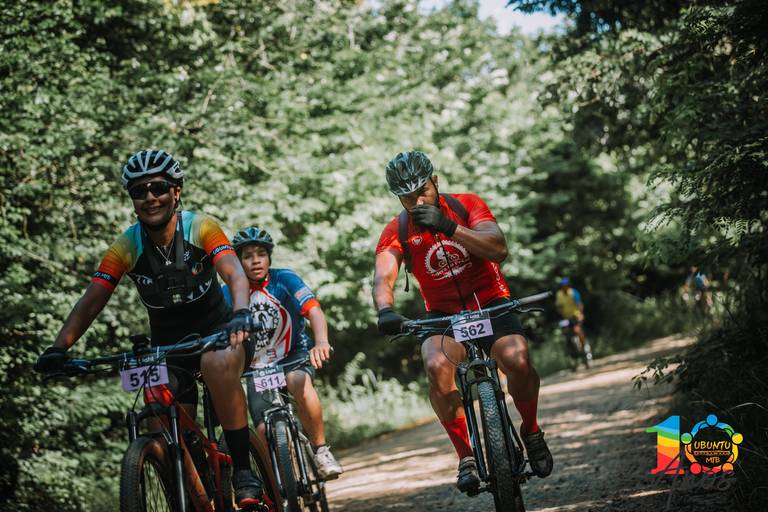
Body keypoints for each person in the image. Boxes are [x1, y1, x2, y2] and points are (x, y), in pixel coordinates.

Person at [34, 150, 266, 508]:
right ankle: (191, 482)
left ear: (176, 192)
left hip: (222, 334)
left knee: (216, 363)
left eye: (158, 187)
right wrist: (58, 348)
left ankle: (243, 470)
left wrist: (241, 313)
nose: (150, 197)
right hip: (168, 349)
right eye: (139, 191)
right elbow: (91, 301)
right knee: (156, 403)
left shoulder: (201, 227)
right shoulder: (127, 245)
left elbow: (234, 273)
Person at [372, 150, 553, 493]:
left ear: (435, 181)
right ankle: (465, 456)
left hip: (490, 300)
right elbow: (383, 277)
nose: (417, 201)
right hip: (443, 314)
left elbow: (497, 248)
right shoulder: (397, 229)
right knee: (435, 365)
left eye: (422, 191)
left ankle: (531, 430)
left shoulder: (467, 205)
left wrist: (448, 226)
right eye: (408, 197)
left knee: (516, 359)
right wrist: (385, 309)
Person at [224, 226, 344, 480]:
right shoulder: (229, 292)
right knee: (261, 429)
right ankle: (282, 480)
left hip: (292, 355)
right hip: (257, 367)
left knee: (298, 382)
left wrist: (321, 342)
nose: (256, 260)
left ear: (269, 257)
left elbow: (314, 310)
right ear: (238, 262)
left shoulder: (285, 279)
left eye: (261, 254)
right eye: (247, 256)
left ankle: (321, 451)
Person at [554, 277, 591, 360]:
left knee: (577, 330)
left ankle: (585, 348)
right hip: (566, 317)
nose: (565, 287)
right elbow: (559, 307)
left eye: (566, 285)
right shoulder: (559, 294)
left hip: (575, 315)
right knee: (565, 333)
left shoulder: (573, 292)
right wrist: (561, 315)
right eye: (563, 286)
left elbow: (579, 304)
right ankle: (571, 353)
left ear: (568, 285)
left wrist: (581, 314)